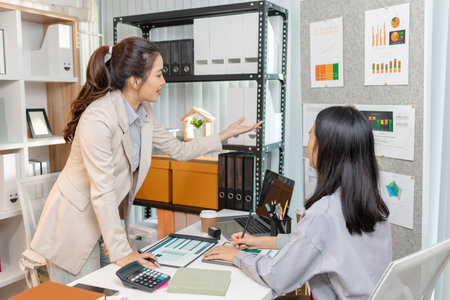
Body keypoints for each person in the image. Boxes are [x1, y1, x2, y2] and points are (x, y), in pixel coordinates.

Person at [29, 37, 263, 284]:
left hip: (105, 223)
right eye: (159, 75)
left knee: (118, 287)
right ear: (135, 80)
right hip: (73, 229)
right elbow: (103, 192)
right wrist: (124, 253)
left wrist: (224, 135)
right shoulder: (99, 118)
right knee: (84, 294)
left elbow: (177, 150)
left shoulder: (142, 111)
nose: (164, 81)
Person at [204, 106, 392, 299]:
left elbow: (278, 276)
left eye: (311, 134)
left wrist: (236, 256)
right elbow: (319, 244)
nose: (308, 141)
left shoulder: (323, 213)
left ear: (326, 148)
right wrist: (257, 241)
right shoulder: (374, 204)